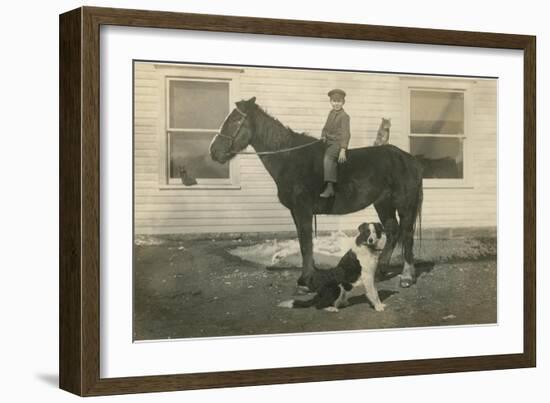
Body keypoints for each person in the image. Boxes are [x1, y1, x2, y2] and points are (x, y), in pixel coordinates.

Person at [320, 89, 351, 198]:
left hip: (337, 143)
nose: (336, 104)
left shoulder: (344, 116)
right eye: (334, 101)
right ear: (330, 102)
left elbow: (346, 134)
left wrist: (343, 149)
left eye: (339, 101)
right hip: (327, 141)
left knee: (328, 158)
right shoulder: (331, 113)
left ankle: (330, 187)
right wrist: (323, 135)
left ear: (343, 102)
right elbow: (325, 128)